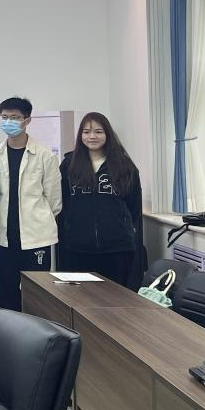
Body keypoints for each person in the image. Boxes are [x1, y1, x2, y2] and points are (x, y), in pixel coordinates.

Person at [0, 97, 62, 312]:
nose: (8, 122)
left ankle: (35, 332)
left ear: (27, 120)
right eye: (4, 117)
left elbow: (54, 201)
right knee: (6, 293)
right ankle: (10, 330)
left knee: (37, 294)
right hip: (5, 237)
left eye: (14, 117)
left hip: (36, 238)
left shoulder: (44, 155)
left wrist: (38, 219)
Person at [58, 112, 144, 289]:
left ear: (108, 134)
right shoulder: (68, 165)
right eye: (86, 132)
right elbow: (63, 203)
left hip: (117, 248)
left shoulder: (125, 166)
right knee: (80, 297)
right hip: (78, 247)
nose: (92, 136)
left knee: (115, 297)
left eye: (98, 131)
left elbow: (134, 207)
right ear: (80, 135)